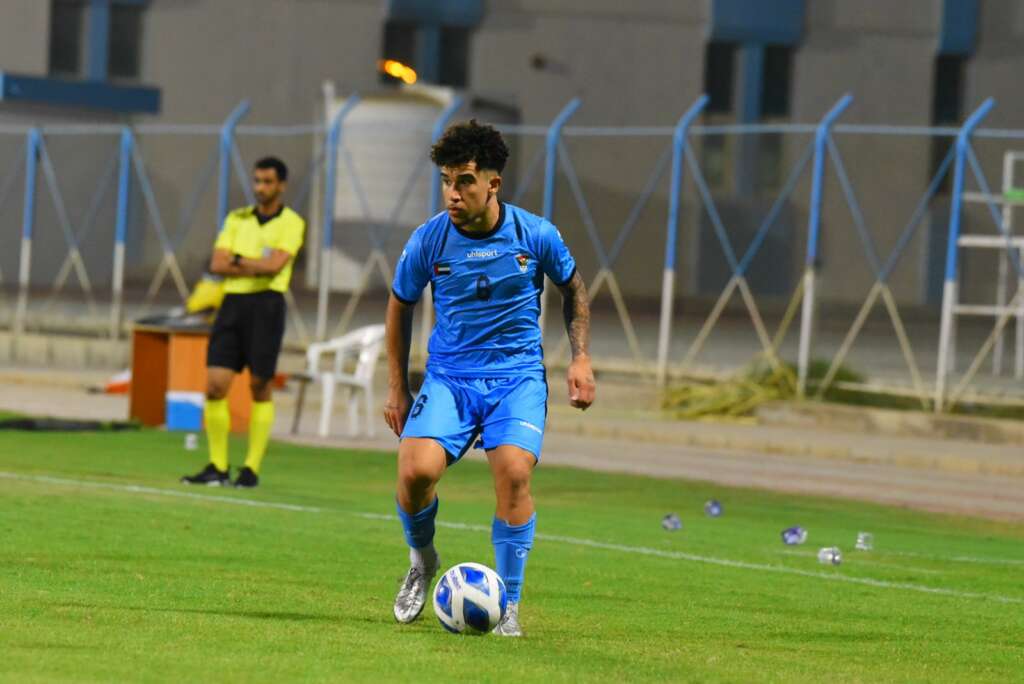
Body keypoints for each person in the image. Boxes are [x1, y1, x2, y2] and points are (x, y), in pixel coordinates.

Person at [383, 120, 595, 636]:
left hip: (515, 378)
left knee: (515, 475)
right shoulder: (428, 240)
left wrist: (580, 357)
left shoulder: (535, 234)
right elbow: (399, 305)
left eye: (464, 182)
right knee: (414, 475)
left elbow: (574, 287)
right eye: (447, 181)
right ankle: (422, 561)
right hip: (451, 378)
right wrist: (397, 385)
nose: (452, 194)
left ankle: (511, 604)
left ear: (492, 184)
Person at [181, 157, 305, 489]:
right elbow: (217, 262)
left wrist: (239, 261)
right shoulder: (237, 218)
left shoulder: (292, 222)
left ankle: (250, 468)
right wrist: (252, 264)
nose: (260, 188)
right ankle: (218, 466)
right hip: (232, 305)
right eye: (257, 181)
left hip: (266, 306)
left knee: (259, 386)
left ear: (281, 185)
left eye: (267, 182)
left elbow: (275, 266)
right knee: (215, 385)